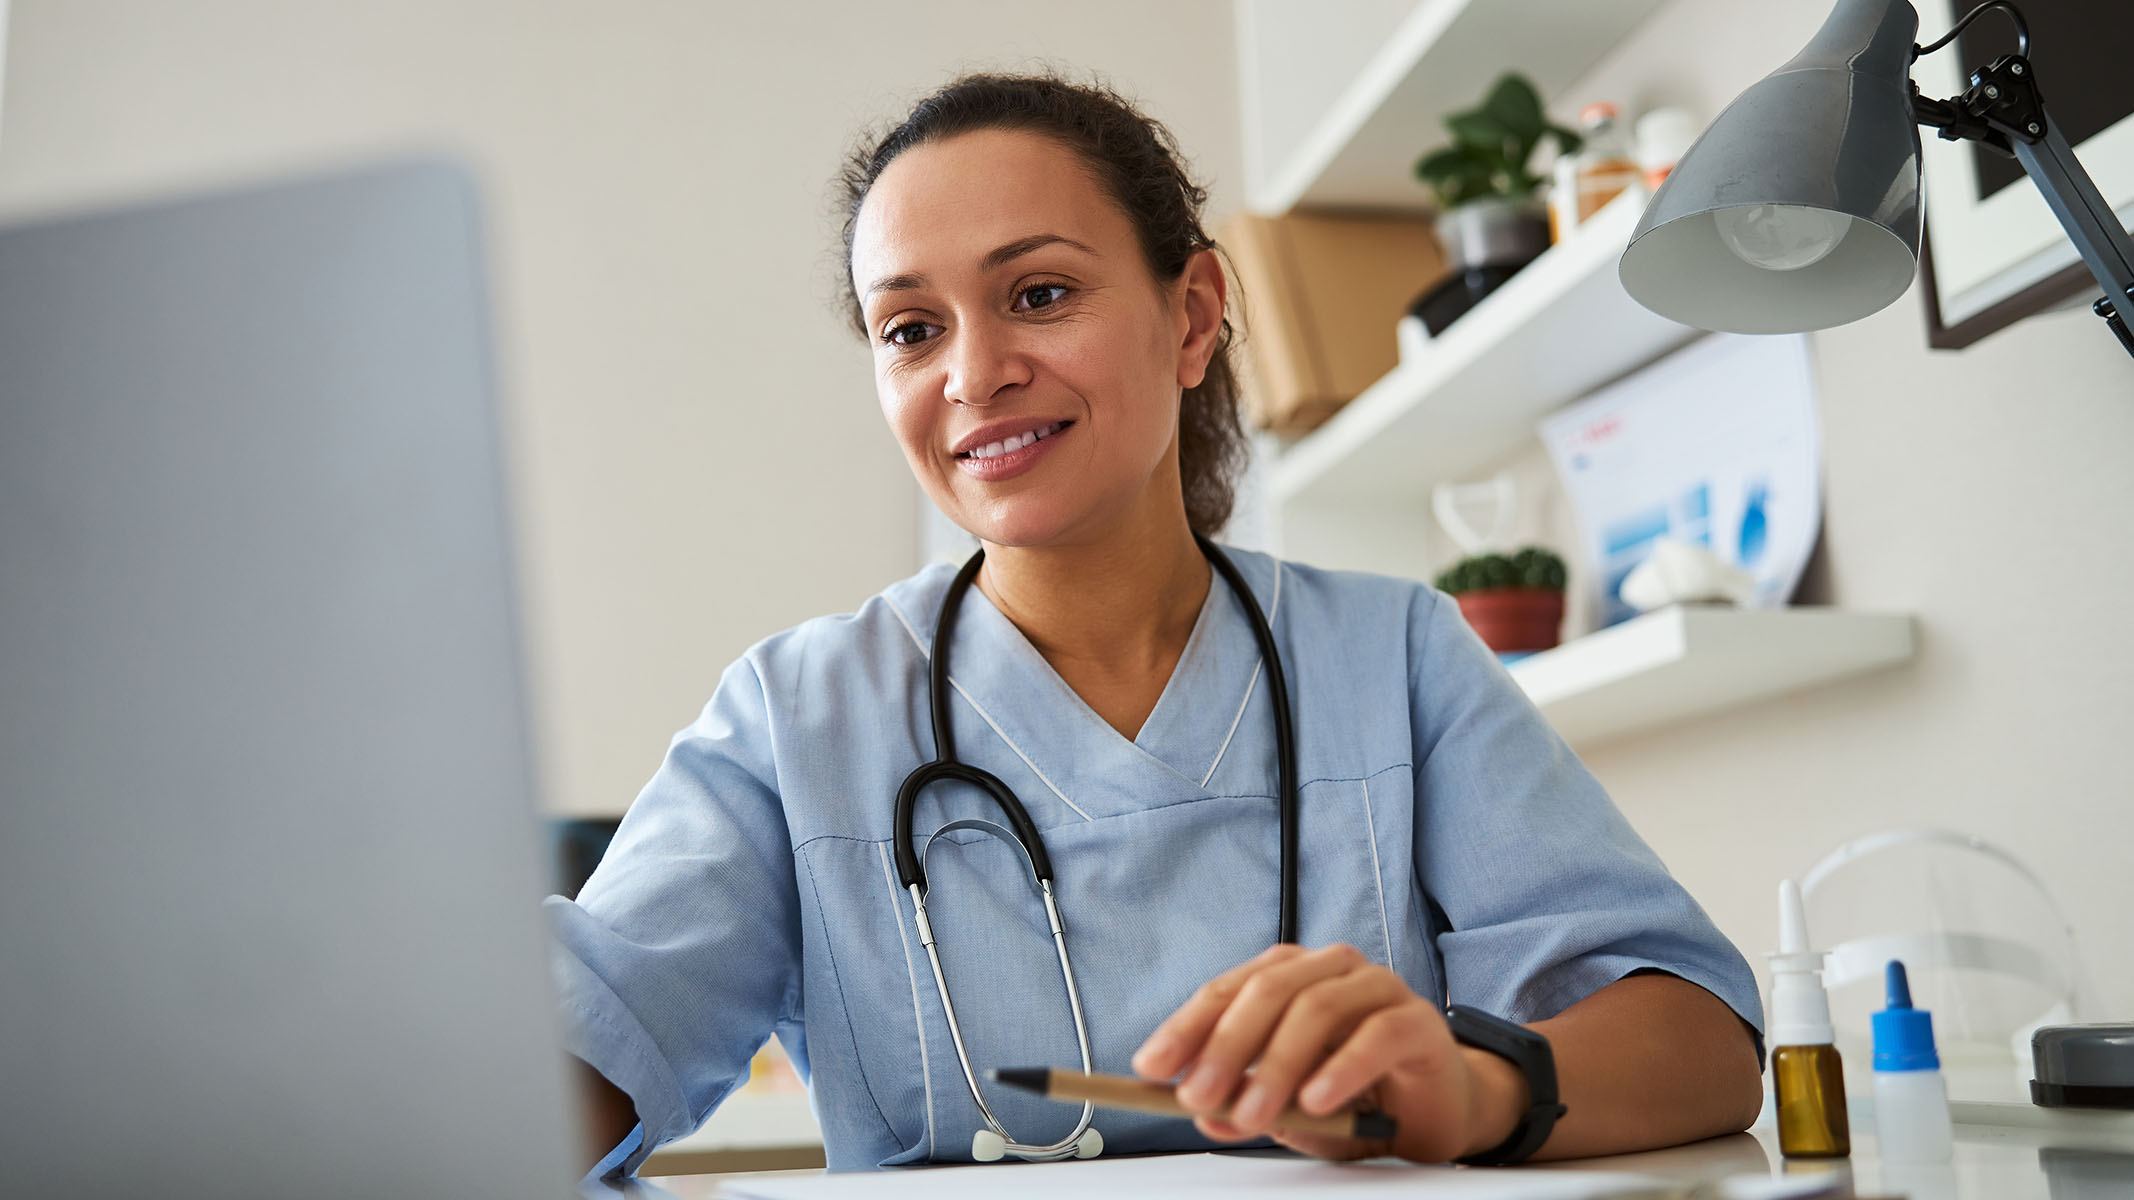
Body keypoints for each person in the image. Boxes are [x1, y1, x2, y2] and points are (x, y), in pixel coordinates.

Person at [547, 71, 1764, 1180]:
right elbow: (568, 1064)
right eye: (909, 329)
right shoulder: (794, 718)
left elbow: (1700, 1041)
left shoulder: (1392, 658)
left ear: (1189, 319)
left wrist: (1470, 1087)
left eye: (1040, 293)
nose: (972, 375)